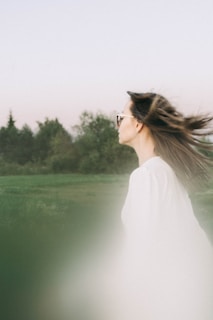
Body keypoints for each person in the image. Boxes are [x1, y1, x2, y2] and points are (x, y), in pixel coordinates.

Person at [113, 91, 213, 320]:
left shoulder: (146, 176)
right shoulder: (167, 172)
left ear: (138, 124)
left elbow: (141, 251)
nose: (117, 125)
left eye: (121, 117)